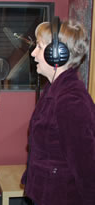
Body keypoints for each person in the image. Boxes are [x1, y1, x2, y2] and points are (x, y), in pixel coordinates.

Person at [21, 17, 95, 205]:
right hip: (44, 195)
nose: (33, 54)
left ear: (57, 54)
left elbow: (87, 170)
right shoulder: (54, 90)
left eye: (39, 46)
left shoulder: (71, 102)